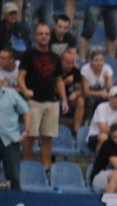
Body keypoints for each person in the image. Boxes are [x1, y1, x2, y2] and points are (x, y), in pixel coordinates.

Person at [19, 23, 67, 177]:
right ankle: (25, 166)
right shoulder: (29, 55)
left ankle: (45, 170)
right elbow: (21, 77)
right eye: (41, 34)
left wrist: (64, 100)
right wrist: (25, 90)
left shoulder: (55, 57)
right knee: (30, 136)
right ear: (36, 36)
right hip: (34, 102)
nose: (44, 36)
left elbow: (59, 80)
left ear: (50, 36)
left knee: (47, 137)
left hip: (52, 102)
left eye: (46, 34)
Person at [0, 82, 29, 189]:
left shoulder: (12, 94)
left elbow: (26, 111)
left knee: (14, 178)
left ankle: (16, 204)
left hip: (11, 141)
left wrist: (26, 130)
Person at [80, 47, 114, 130]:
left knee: (108, 100)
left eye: (101, 60)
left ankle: (108, 122)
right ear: (91, 61)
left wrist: (106, 80)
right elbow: (86, 91)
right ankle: (87, 122)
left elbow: (110, 89)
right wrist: (100, 93)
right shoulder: (85, 69)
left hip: (102, 94)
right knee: (90, 100)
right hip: (90, 94)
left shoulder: (107, 69)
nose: (99, 63)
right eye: (96, 60)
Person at [59, 49, 85, 135]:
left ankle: (76, 131)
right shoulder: (55, 71)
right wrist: (65, 82)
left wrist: (76, 93)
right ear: (61, 61)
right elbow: (52, 90)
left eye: (72, 62)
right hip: (54, 98)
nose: (71, 65)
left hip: (68, 98)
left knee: (80, 101)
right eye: (68, 63)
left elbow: (79, 89)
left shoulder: (75, 71)